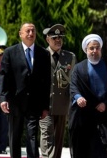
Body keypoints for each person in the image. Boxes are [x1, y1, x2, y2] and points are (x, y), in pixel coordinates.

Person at [0, 22, 52, 158]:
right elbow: (3, 76)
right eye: (27, 31)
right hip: (15, 102)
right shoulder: (10, 52)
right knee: (15, 136)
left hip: (34, 104)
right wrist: (3, 99)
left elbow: (46, 82)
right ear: (20, 34)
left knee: (32, 136)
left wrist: (46, 106)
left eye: (33, 31)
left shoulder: (43, 54)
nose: (30, 34)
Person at [69, 34, 107, 158]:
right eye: (91, 48)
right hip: (85, 115)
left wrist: (106, 103)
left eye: (97, 48)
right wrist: (78, 97)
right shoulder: (79, 68)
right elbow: (73, 87)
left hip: (104, 114)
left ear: (101, 49)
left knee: (104, 150)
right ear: (86, 50)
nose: (94, 51)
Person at [40, 24, 76, 158]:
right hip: (45, 104)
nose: (58, 40)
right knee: (47, 135)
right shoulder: (41, 56)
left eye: (60, 37)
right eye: (54, 38)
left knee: (59, 139)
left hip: (62, 103)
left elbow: (73, 80)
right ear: (47, 39)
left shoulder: (70, 57)